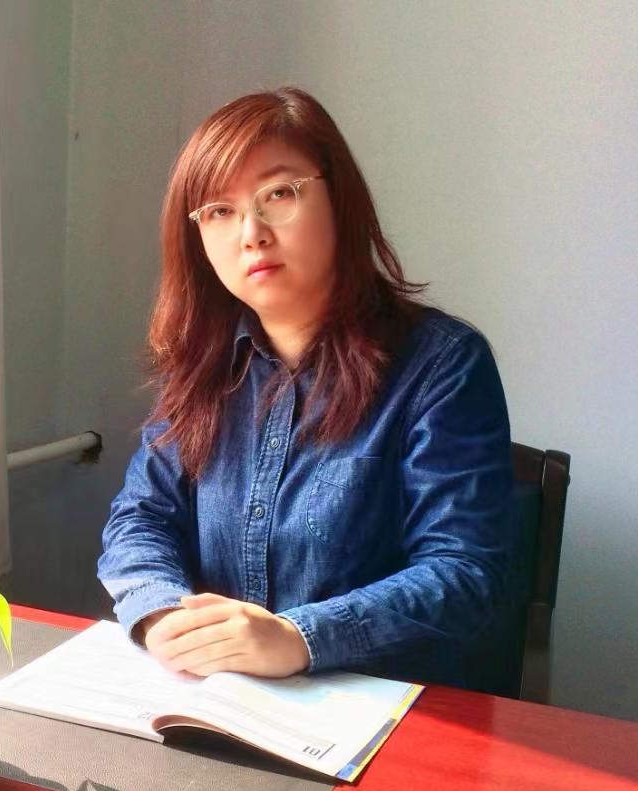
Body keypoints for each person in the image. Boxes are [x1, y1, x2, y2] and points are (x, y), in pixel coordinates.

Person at [97, 87, 514, 691]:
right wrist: (162, 614)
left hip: (377, 709)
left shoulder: (442, 365)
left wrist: (298, 638)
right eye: (219, 211)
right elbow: (141, 516)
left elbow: (463, 572)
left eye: (279, 194)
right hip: (221, 699)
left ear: (338, 198)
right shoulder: (206, 364)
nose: (251, 233)